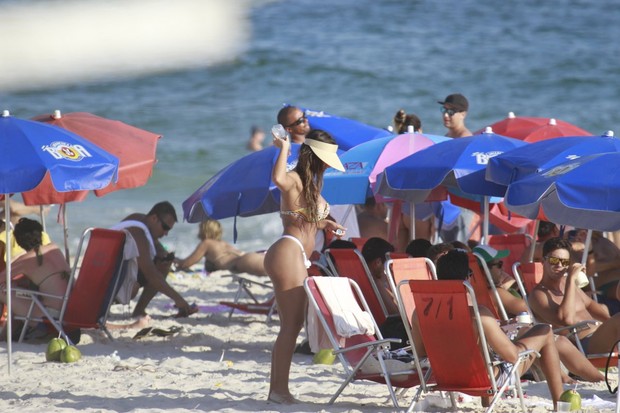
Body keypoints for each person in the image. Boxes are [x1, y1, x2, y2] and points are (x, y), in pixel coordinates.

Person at [410, 249, 564, 408]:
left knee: (488, 357)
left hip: (444, 378)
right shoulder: (479, 315)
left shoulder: (419, 314)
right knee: (544, 331)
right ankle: (560, 404)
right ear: (467, 278)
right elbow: (513, 357)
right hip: (483, 380)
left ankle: (487, 403)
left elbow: (421, 354)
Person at [263, 129, 345, 404]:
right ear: (316, 157)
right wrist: (284, 148)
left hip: (295, 253)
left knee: (291, 325)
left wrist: (327, 223)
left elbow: (308, 220)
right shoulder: (295, 179)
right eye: (324, 160)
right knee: (291, 326)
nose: (326, 165)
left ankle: (277, 390)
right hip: (287, 251)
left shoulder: (311, 184)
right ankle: (278, 391)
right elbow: (277, 179)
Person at [529, 237, 620, 357]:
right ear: (543, 261)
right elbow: (567, 319)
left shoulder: (567, 284)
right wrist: (571, 280)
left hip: (599, 334)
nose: (559, 265)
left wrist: (609, 324)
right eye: (554, 260)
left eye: (565, 262)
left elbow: (590, 304)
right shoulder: (538, 294)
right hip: (584, 345)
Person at [111, 201, 196, 318]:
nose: (166, 233)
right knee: (134, 286)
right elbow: (150, 273)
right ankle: (101, 308)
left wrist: (166, 258)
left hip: (114, 274)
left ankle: (139, 311)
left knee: (163, 266)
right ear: (154, 218)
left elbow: (156, 247)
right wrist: (178, 300)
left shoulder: (142, 222)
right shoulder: (137, 231)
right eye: (165, 227)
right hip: (106, 282)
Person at [175, 219, 267, 276]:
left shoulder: (207, 243)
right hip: (249, 256)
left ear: (204, 230)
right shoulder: (223, 243)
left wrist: (174, 260)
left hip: (243, 263)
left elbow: (186, 263)